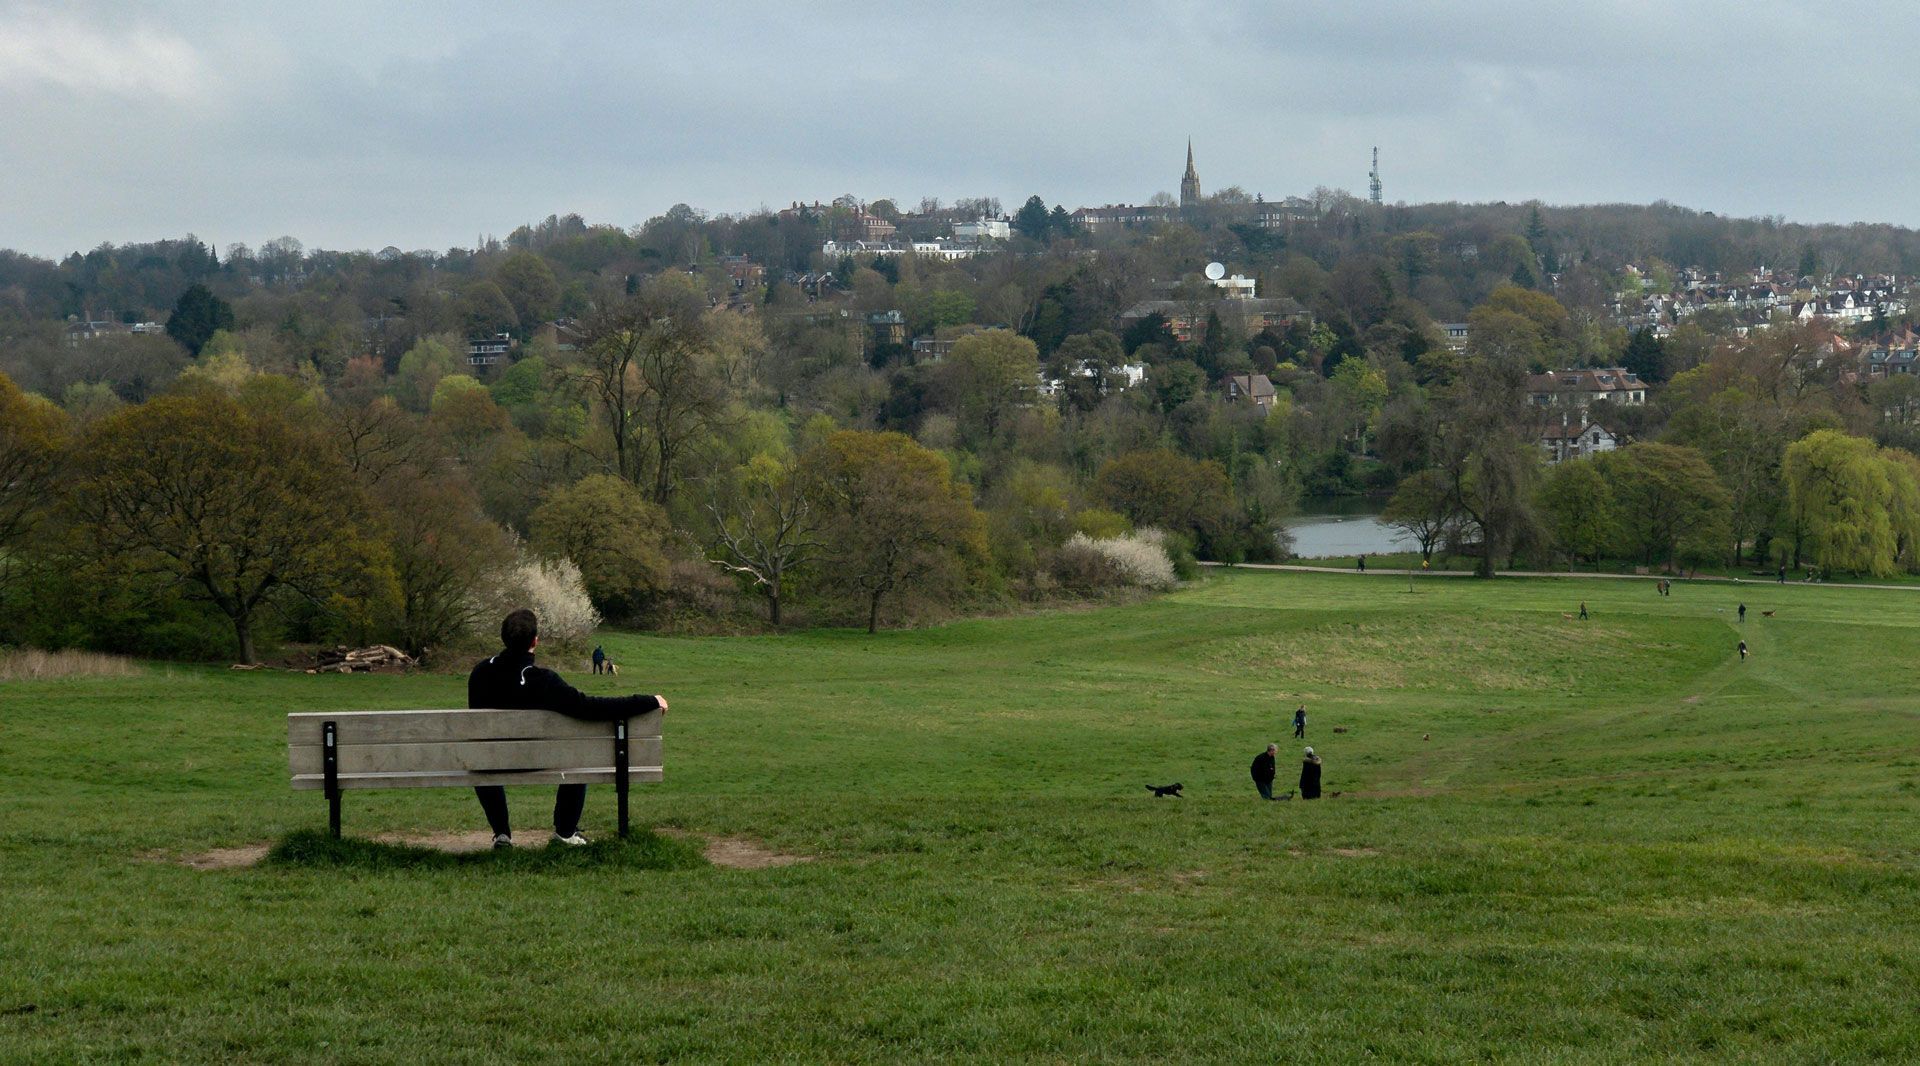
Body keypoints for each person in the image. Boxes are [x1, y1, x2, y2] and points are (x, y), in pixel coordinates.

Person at [470, 609, 667, 847]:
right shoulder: (544, 681)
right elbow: (590, 708)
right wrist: (649, 701)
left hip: (491, 760)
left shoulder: (480, 673)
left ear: (503, 638)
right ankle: (564, 833)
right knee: (576, 756)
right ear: (535, 641)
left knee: (483, 758)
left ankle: (502, 834)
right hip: (540, 759)